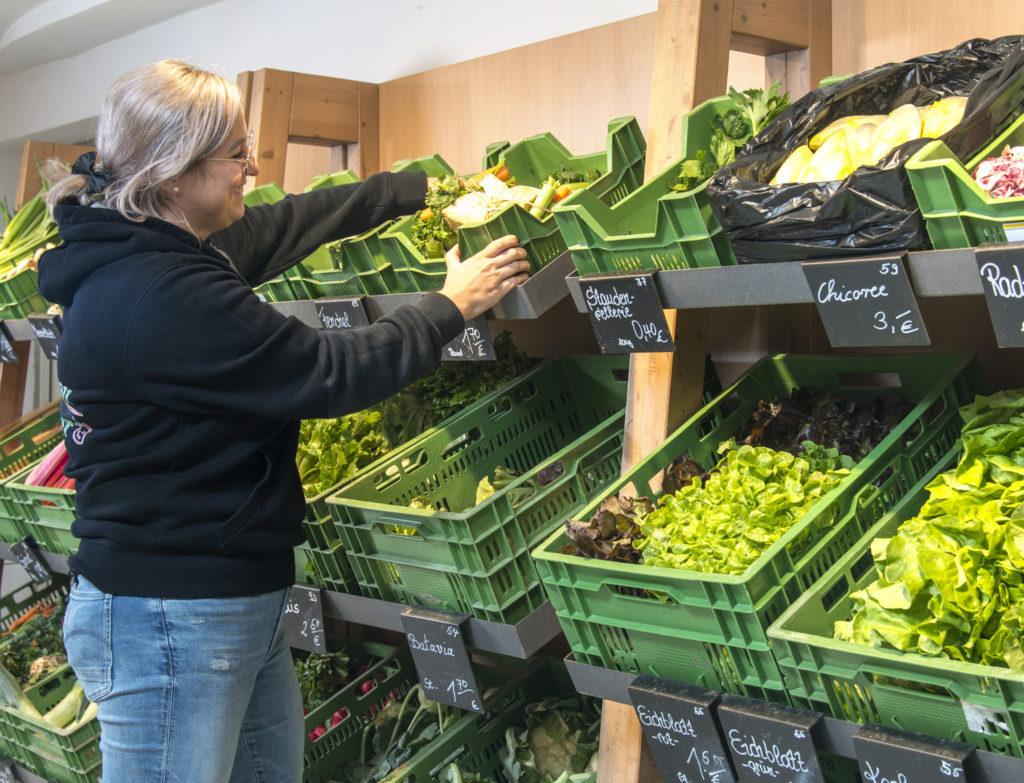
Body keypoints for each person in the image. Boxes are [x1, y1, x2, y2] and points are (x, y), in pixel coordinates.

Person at [37, 58, 530, 783]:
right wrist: (448, 307)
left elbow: (278, 226)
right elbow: (325, 373)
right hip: (170, 613)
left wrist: (410, 192)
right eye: (237, 153)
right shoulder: (162, 294)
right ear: (174, 172)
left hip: (225, 598)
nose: (253, 167)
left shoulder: (152, 246)